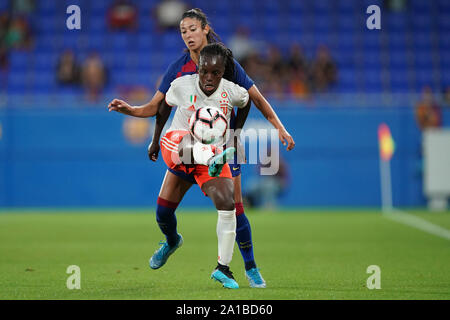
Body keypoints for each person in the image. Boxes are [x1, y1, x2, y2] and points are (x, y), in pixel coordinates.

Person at [107, 8, 295, 288]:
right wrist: (142, 122)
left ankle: (251, 268)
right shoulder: (179, 70)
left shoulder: (226, 62)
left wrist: (275, 127)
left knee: (235, 209)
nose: (188, 35)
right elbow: (157, 107)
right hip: (186, 147)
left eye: (193, 29)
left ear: (205, 28)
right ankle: (172, 241)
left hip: (222, 147)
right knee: (163, 212)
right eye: (183, 31)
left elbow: (252, 98)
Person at [110, 43, 250, 289]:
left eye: (215, 73)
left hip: (212, 155)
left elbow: (247, 100)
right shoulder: (181, 85)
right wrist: (154, 140)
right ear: (198, 68)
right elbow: (162, 107)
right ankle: (172, 240)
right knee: (163, 214)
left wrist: (235, 134)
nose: (209, 78)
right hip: (179, 146)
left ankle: (223, 268)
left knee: (228, 205)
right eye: (204, 71)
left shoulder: (232, 91)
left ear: (223, 72)